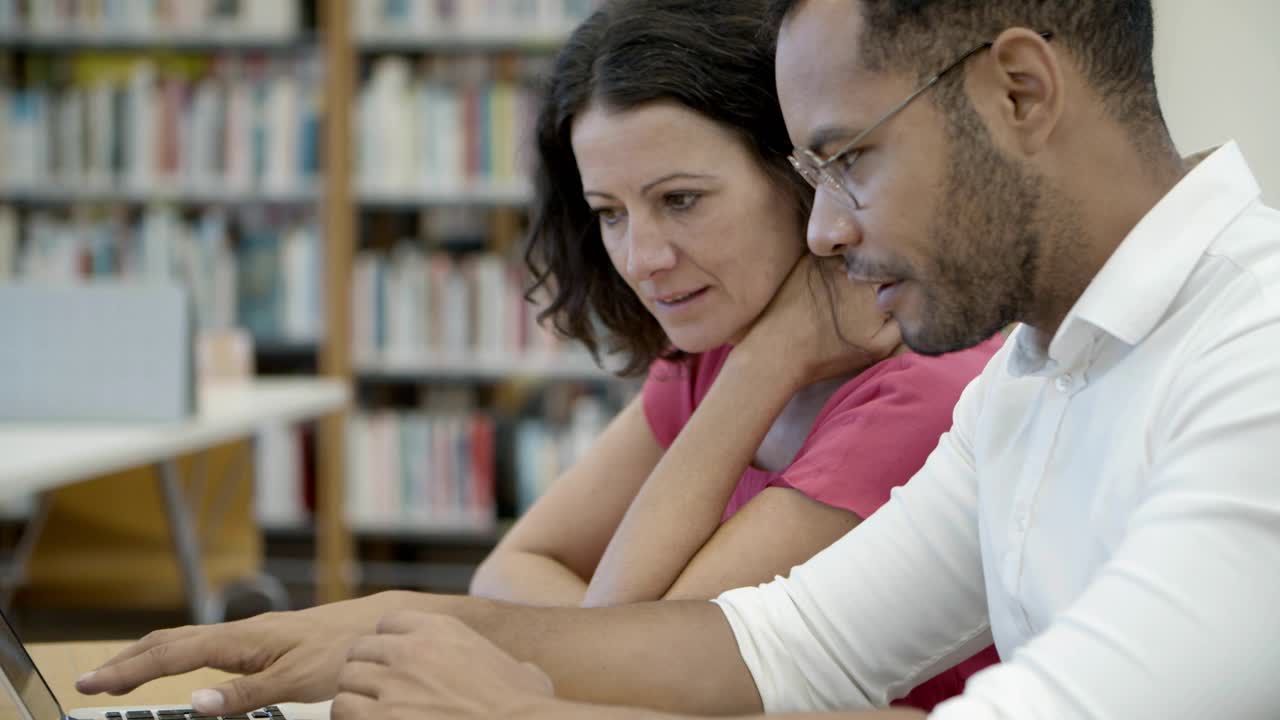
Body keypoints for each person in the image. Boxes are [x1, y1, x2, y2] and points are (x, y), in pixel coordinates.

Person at [74, 0, 1280, 718]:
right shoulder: (1032, 373)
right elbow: (788, 644)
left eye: (846, 158)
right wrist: (393, 624)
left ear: (1018, 91)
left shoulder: (1256, 353)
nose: (825, 234)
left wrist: (518, 704)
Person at [468, 0, 998, 709]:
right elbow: (511, 570)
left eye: (681, 200)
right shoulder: (717, 341)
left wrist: (764, 365)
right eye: (610, 213)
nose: (643, 259)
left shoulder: (917, 388)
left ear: (800, 175)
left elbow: (645, 672)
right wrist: (760, 359)